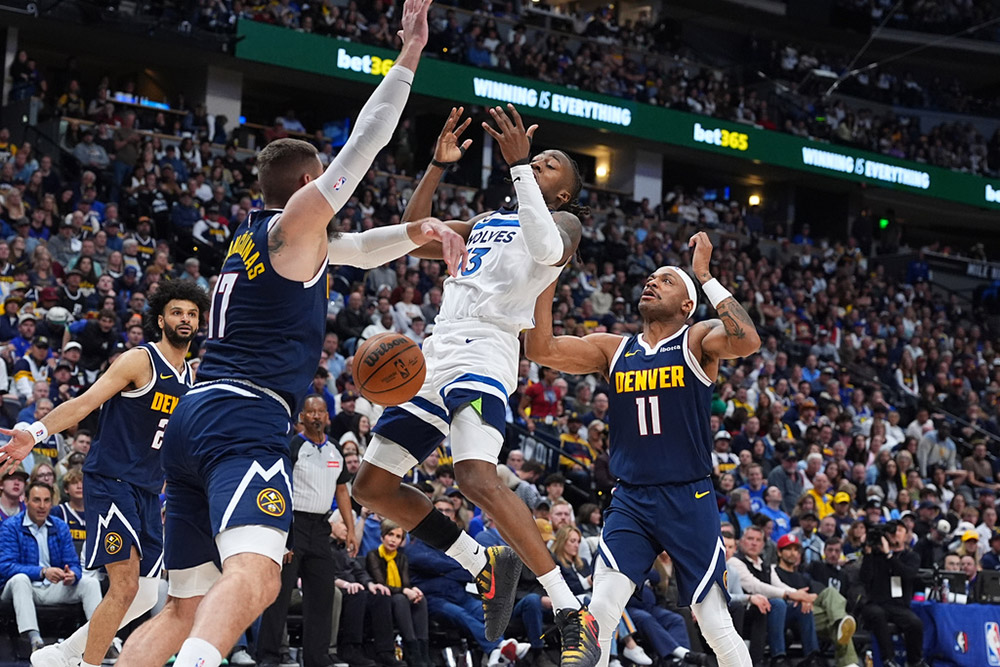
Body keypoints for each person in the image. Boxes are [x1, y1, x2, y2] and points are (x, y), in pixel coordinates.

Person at [107, 4, 465, 666]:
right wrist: (410, 54)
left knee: (184, 605)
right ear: (307, 184)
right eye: (323, 180)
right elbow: (367, 142)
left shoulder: (261, 236)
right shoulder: (297, 224)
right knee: (259, 575)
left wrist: (418, 232)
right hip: (243, 417)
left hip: (196, 417)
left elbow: (352, 247)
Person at [351, 103, 600, 667]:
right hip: (435, 351)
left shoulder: (563, 224)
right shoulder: (487, 220)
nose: (538, 163)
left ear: (562, 193)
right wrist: (437, 166)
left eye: (549, 164)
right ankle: (482, 563)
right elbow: (416, 234)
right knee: (371, 487)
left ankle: (570, 610)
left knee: (474, 477)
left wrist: (517, 166)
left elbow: (546, 251)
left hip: (486, 352)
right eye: (535, 160)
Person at [524, 233, 759, 667]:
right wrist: (548, 272)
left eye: (666, 281)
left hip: (688, 496)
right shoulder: (614, 348)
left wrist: (704, 276)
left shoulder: (697, 339)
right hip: (631, 497)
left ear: (687, 305)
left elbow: (746, 341)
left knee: (712, 620)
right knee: (602, 607)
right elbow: (541, 348)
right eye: (650, 278)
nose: (652, 283)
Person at [0, 281, 210, 667]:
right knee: (125, 585)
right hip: (112, 479)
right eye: (178, 312)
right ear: (161, 318)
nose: (185, 319)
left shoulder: (189, 379)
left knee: (146, 595)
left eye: (192, 314)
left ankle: (64, 654)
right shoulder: (139, 361)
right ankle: (88, 664)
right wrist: (34, 431)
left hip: (148, 491)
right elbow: (84, 404)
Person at [257, 395, 354, 667]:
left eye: (320, 412)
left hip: (321, 527)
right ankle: (268, 655)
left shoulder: (335, 449)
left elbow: (343, 490)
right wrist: (284, 535)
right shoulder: (294, 446)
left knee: (322, 596)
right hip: (293, 524)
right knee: (279, 594)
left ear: (327, 416)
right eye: (310, 412)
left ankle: (316, 657)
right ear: (302, 417)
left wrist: (351, 529)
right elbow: (281, 489)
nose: (316, 416)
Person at [0, 481, 103, 651]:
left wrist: (73, 575)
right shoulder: (11, 526)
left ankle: (102, 641)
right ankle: (35, 641)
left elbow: (75, 564)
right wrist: (42, 572)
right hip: (21, 589)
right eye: (36, 500)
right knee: (20, 579)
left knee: (90, 583)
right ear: (25, 501)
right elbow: (5, 567)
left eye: (47, 500)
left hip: (53, 587)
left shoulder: (60, 526)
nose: (42, 506)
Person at [858, 520, 927, 667]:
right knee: (877, 614)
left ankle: (915, 661)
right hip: (876, 603)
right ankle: (888, 660)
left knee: (915, 623)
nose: (895, 534)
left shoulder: (911, 556)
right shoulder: (875, 555)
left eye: (899, 531)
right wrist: (868, 553)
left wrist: (889, 556)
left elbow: (908, 575)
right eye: (892, 531)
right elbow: (865, 578)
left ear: (906, 536)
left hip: (899, 606)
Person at [366, 519, 430, 667]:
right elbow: (381, 584)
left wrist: (413, 590)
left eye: (398, 537)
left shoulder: (402, 558)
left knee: (421, 599)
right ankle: (411, 650)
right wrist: (405, 590)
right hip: (382, 598)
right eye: (390, 535)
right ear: (382, 537)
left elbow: (406, 583)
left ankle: (423, 652)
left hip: (399, 594)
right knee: (400, 599)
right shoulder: (373, 555)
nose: (393, 540)